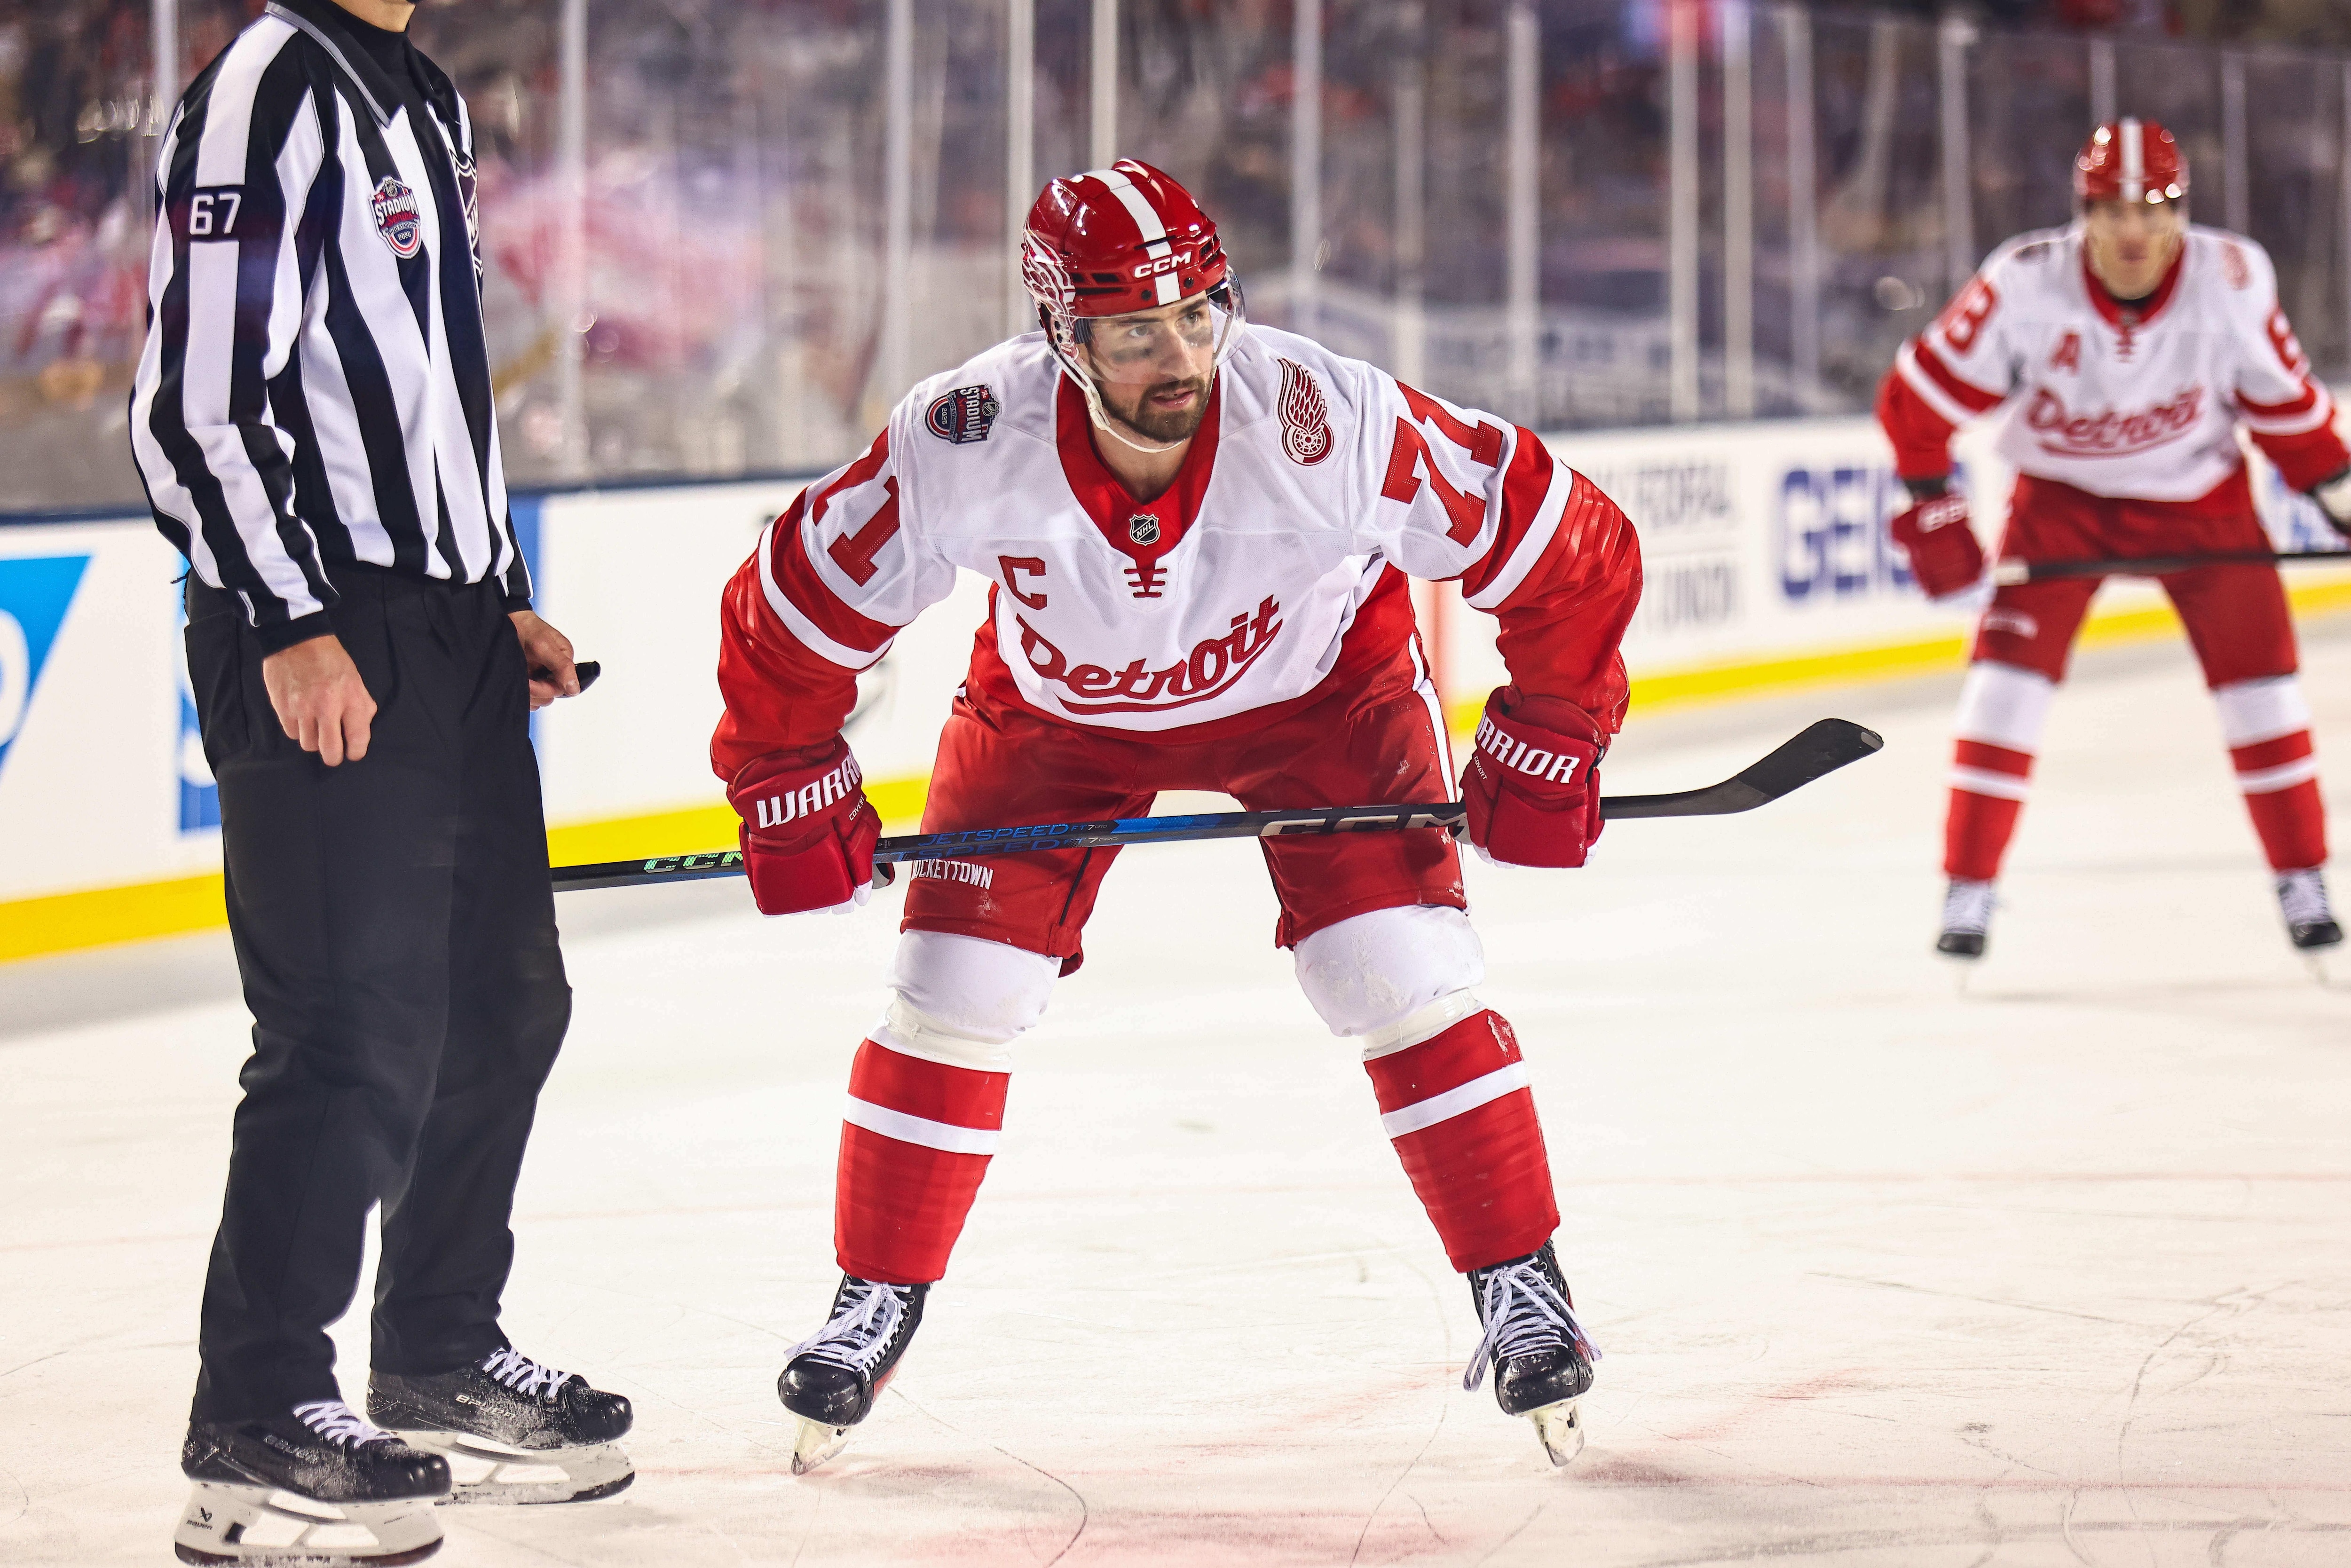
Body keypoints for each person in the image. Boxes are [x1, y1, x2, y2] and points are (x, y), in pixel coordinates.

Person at [712, 160, 1642, 1472]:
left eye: (1200, 313)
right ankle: (877, 1295)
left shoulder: (1331, 417)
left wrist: (1553, 726)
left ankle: (1522, 1285)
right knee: (950, 989)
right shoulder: (965, 439)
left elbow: (1570, 546)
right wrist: (783, 771)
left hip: (1320, 699)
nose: (1182, 354)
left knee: (1397, 974)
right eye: (1137, 330)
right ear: (1061, 335)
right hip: (1054, 720)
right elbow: (791, 610)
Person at [130, 0, 632, 1560]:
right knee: (347, 1026)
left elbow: (422, 390)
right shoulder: (267, 89)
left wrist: (494, 596)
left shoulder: (414, 95)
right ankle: (259, 1409)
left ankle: (432, 1352)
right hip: (322, 614)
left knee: (501, 1002)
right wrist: (290, 617)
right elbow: (196, 405)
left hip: (445, 627)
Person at [1878, 119, 2351, 961]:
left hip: (2201, 502)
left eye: (2156, 208)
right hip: (2064, 502)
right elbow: (1918, 406)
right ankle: (1969, 887)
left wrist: (2343, 500)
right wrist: (1934, 510)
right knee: (2001, 691)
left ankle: (2302, 875)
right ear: (2082, 214)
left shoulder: (2233, 277)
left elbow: (2292, 415)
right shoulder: (2024, 281)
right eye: (2111, 210)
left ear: (2184, 213)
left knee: (2264, 694)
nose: (2134, 231)